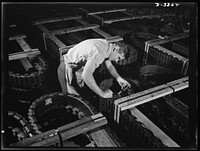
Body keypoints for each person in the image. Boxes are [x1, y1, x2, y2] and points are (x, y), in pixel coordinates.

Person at [57, 38, 131, 99]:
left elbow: (110, 66)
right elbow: (86, 75)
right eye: (118, 58)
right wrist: (103, 94)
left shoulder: (106, 45)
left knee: (82, 91)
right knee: (73, 99)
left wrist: (119, 78)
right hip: (65, 69)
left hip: (76, 67)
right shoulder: (100, 53)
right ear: (116, 49)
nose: (117, 61)